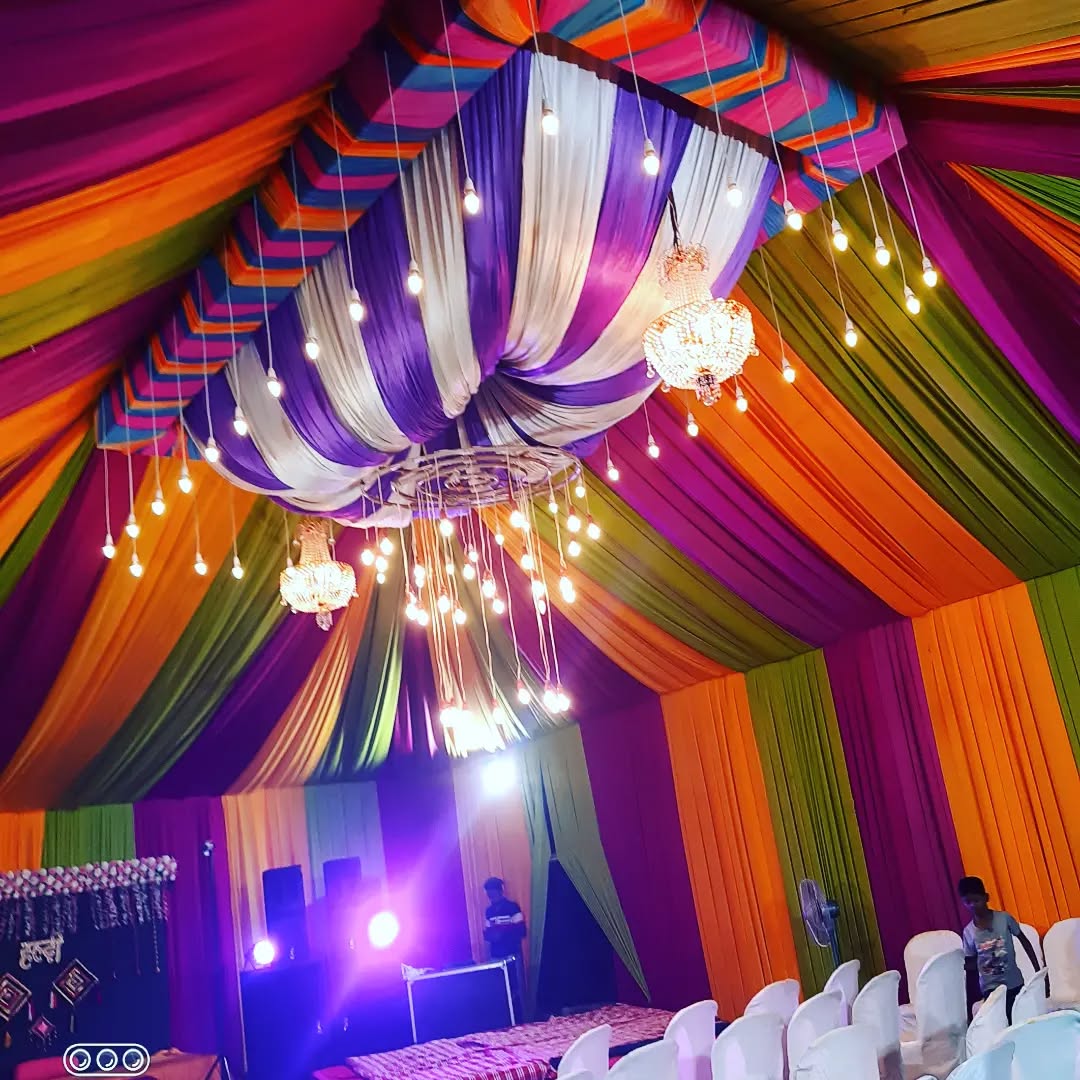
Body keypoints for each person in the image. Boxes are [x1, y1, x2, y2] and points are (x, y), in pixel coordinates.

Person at [958, 876, 1040, 1023]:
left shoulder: (1004, 919)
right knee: (1001, 1025)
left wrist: (1039, 972)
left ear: (986, 897)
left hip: (1014, 984)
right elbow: (970, 970)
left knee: (1021, 1021)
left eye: (976, 900)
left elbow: (1025, 942)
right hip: (991, 990)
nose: (973, 906)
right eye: (967, 902)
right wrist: (969, 1006)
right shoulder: (968, 932)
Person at [483, 877, 526, 1020]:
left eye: (493, 893)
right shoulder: (489, 911)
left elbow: (521, 931)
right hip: (495, 956)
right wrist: (496, 935)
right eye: (489, 894)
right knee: (499, 989)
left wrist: (501, 934)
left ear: (500, 891)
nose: (491, 897)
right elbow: (488, 935)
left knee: (516, 988)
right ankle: (504, 1019)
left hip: (512, 954)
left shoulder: (512, 907)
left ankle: (520, 1019)